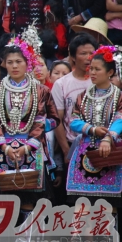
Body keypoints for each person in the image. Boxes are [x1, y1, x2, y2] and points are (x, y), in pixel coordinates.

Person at [0, 43, 60, 242]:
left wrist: (29, 144)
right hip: (3, 148)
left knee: (28, 195)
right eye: (10, 62)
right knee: (4, 196)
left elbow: (51, 119)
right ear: (4, 64)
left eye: (18, 61)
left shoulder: (40, 90)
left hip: (32, 147)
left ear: (27, 63)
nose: (14, 65)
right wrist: (4, 144)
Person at [64, 46, 122, 242]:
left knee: (109, 200)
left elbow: (120, 119)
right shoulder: (83, 96)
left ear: (110, 72)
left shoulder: (119, 96)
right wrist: (91, 129)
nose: (93, 73)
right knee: (82, 199)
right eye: (91, 68)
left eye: (98, 69)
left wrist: (108, 137)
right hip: (85, 152)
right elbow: (74, 121)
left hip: (110, 152)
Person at [51, 33, 96, 170]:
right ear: (73, 57)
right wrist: (66, 150)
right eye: (83, 53)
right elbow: (57, 119)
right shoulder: (61, 84)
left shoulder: (101, 81)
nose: (89, 57)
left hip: (99, 142)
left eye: (92, 53)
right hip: (73, 144)